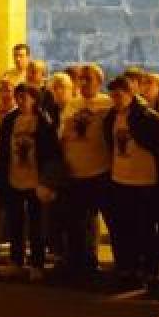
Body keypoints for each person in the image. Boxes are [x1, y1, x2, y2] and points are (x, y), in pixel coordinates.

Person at [105, 74, 159, 291]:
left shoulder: (147, 117)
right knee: (125, 228)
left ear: (130, 94)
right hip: (120, 179)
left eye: (119, 95)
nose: (116, 99)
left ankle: (151, 269)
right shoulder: (111, 118)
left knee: (145, 228)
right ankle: (129, 268)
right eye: (112, 95)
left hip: (144, 180)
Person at [0, 83, 65, 281]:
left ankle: (37, 263)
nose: (21, 101)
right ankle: (16, 261)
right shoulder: (9, 120)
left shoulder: (43, 121)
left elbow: (52, 151)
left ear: (35, 99)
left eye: (25, 97)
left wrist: (47, 179)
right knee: (15, 221)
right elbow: (4, 148)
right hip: (14, 176)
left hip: (35, 178)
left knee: (36, 224)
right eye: (18, 97)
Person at [57, 63, 113, 279]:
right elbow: (61, 133)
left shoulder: (106, 104)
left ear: (99, 82)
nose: (83, 83)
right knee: (76, 221)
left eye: (88, 79)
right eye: (81, 79)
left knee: (102, 220)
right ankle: (78, 262)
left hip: (99, 170)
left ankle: (101, 263)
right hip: (75, 171)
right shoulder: (72, 105)